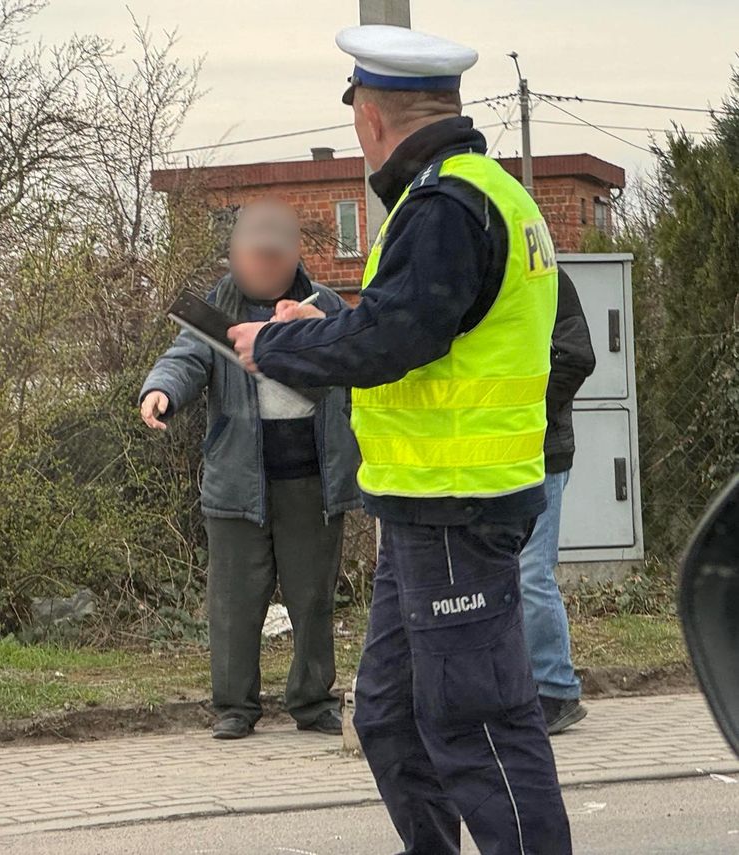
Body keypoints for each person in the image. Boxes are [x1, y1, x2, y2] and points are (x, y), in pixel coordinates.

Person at [227, 24, 572, 855]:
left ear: (371, 117)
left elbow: (396, 343)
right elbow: (420, 330)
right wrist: (334, 321)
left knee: (476, 726)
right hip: (423, 508)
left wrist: (273, 343)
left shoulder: (447, 205)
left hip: (457, 504)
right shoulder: (476, 195)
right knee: (386, 714)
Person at [139, 199, 361, 740]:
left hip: (314, 483)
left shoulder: (325, 307)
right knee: (234, 604)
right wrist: (160, 390)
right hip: (239, 482)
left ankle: (312, 701)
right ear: (235, 255)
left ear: (294, 256)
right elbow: (185, 358)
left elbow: (361, 363)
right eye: (253, 254)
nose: (264, 264)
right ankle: (234, 707)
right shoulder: (215, 310)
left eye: (273, 255)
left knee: (312, 599)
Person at [525, 269, 596, 734]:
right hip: (488, 456)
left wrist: (528, 412)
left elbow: (575, 356)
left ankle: (555, 690)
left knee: (530, 572)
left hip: (543, 452)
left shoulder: (547, 278)